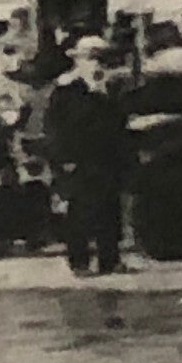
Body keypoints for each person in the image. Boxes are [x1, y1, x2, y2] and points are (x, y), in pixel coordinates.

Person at [42, 34, 134, 277]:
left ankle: (109, 259)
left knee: (109, 208)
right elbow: (55, 128)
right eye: (92, 58)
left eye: (101, 59)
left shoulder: (109, 88)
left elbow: (118, 122)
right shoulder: (66, 89)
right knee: (79, 211)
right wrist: (63, 158)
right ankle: (79, 261)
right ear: (79, 60)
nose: (97, 64)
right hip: (77, 158)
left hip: (105, 156)